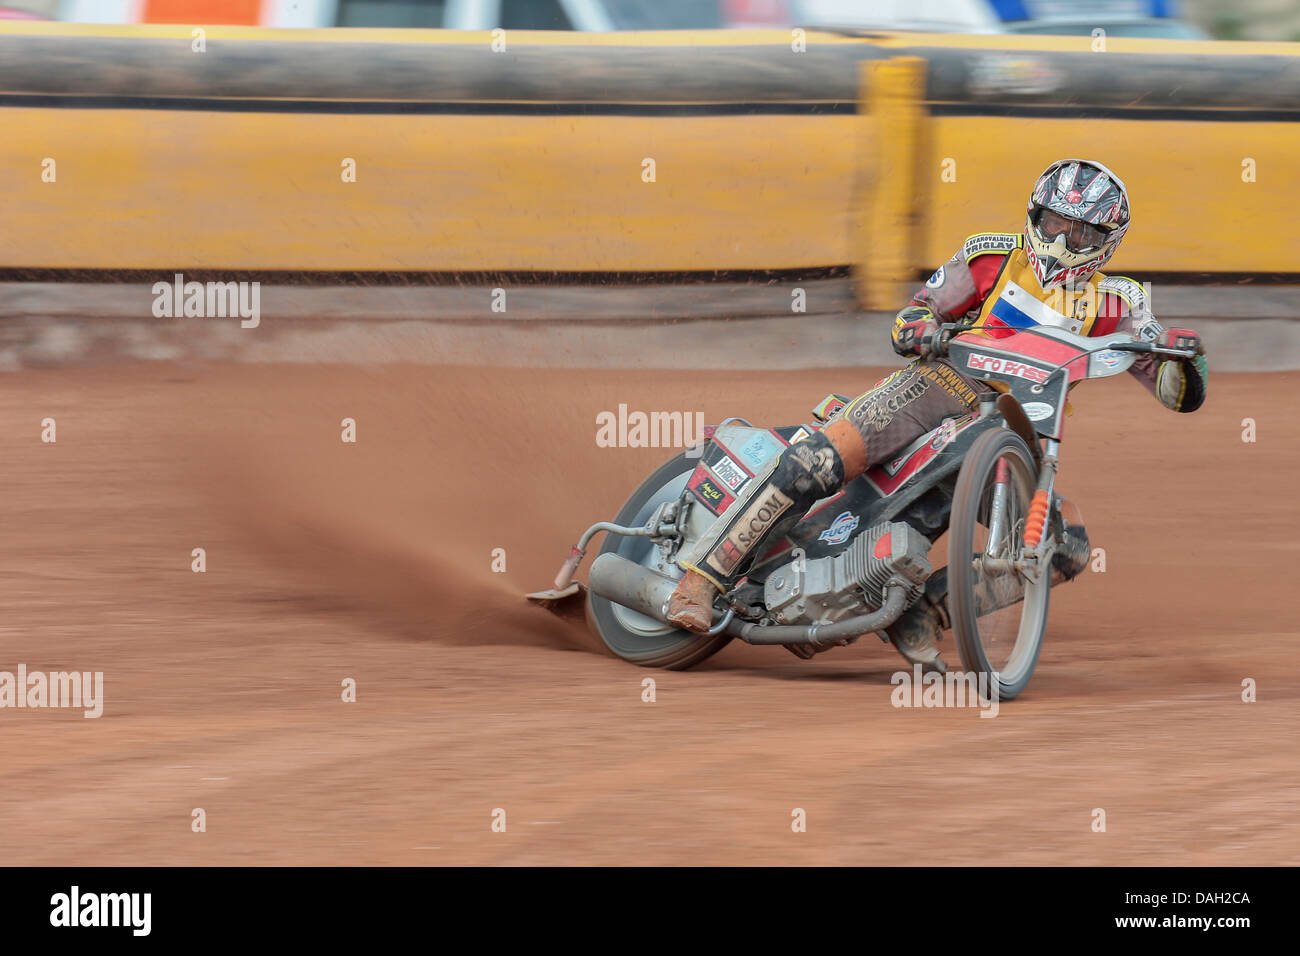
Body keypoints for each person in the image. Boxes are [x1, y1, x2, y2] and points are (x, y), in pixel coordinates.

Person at [665, 159, 1209, 671]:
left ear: (1106, 244)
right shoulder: (990, 255)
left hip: (1021, 429)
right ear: (1034, 216)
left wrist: (1186, 359)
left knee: (1064, 545)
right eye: (1054, 223)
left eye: (1082, 233)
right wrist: (922, 328)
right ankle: (703, 578)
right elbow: (912, 316)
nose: (1064, 241)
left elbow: (1172, 390)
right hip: (941, 383)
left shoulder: (1120, 302)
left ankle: (929, 610)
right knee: (820, 461)